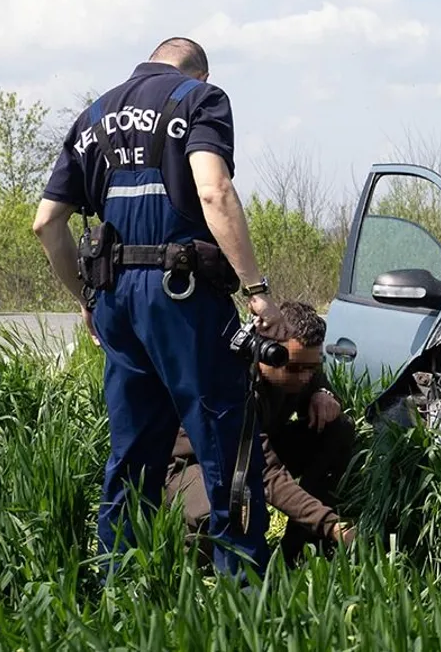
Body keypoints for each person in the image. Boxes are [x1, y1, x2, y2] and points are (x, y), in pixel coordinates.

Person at [31, 37, 286, 580]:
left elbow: (47, 223)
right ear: (200, 71)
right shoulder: (200, 98)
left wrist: (86, 298)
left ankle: (120, 585)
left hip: (116, 300)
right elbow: (214, 192)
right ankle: (242, 589)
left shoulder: (93, 116)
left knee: (133, 449)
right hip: (182, 296)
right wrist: (257, 288)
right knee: (221, 438)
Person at [166, 301, 358, 568]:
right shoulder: (232, 383)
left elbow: (314, 381)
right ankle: (189, 560)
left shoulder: (296, 363)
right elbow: (265, 472)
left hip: (252, 454)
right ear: (264, 350)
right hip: (192, 465)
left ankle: (300, 549)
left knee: (337, 429)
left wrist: (323, 393)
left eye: (312, 368)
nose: (304, 377)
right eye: (294, 368)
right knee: (234, 508)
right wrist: (332, 525)